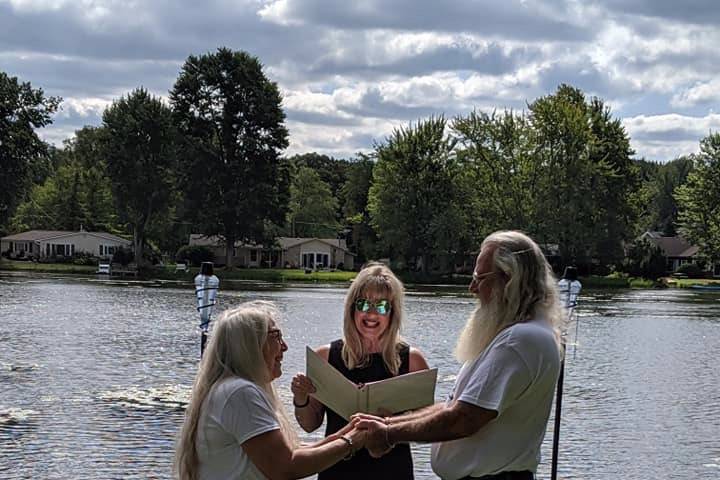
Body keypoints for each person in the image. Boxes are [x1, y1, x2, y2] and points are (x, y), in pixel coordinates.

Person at [356, 231, 564, 480]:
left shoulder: (519, 340)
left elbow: (463, 419)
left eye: (479, 277)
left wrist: (389, 434)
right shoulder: (525, 334)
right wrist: (389, 423)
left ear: (509, 280)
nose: (472, 287)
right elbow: (455, 406)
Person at [174, 300, 366, 480]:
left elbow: (290, 452)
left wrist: (348, 433)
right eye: (276, 336)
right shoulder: (240, 393)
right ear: (250, 345)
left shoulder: (229, 389)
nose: (285, 347)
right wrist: (352, 441)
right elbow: (285, 467)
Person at [290, 262, 430, 480]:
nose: (372, 314)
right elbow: (309, 425)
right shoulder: (326, 356)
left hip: (393, 471)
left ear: (393, 313)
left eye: (382, 306)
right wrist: (300, 398)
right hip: (337, 470)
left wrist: (392, 424)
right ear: (352, 308)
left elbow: (429, 429)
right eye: (364, 304)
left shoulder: (412, 360)